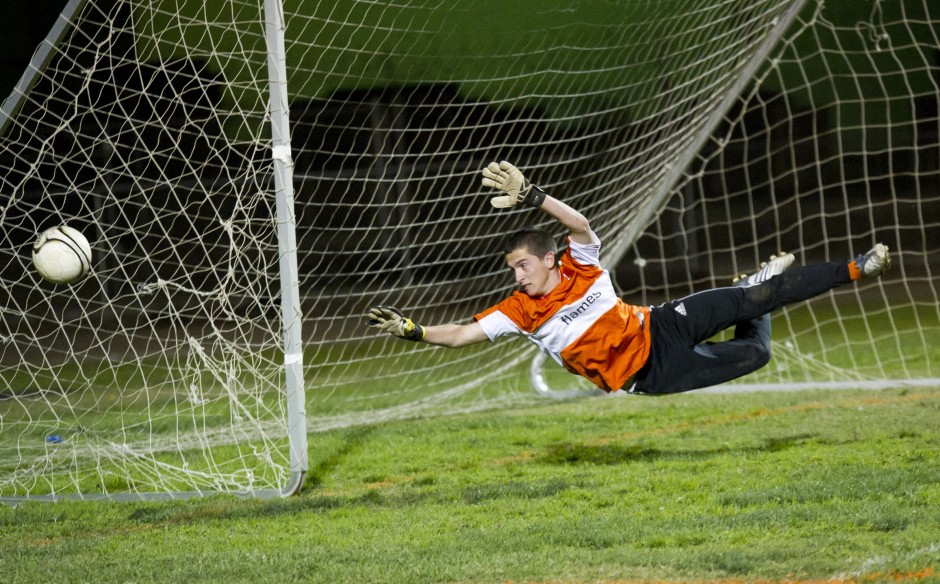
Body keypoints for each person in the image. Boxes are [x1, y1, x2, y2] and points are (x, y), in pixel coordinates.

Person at [367, 161, 892, 395]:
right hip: (652, 374)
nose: (517, 275)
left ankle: (854, 267)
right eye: (512, 270)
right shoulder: (519, 312)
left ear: (548, 259)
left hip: (662, 324)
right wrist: (414, 331)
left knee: (758, 295)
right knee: (757, 354)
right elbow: (460, 334)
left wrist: (533, 196)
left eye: (522, 265)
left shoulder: (580, 264)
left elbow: (579, 224)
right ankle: (759, 294)